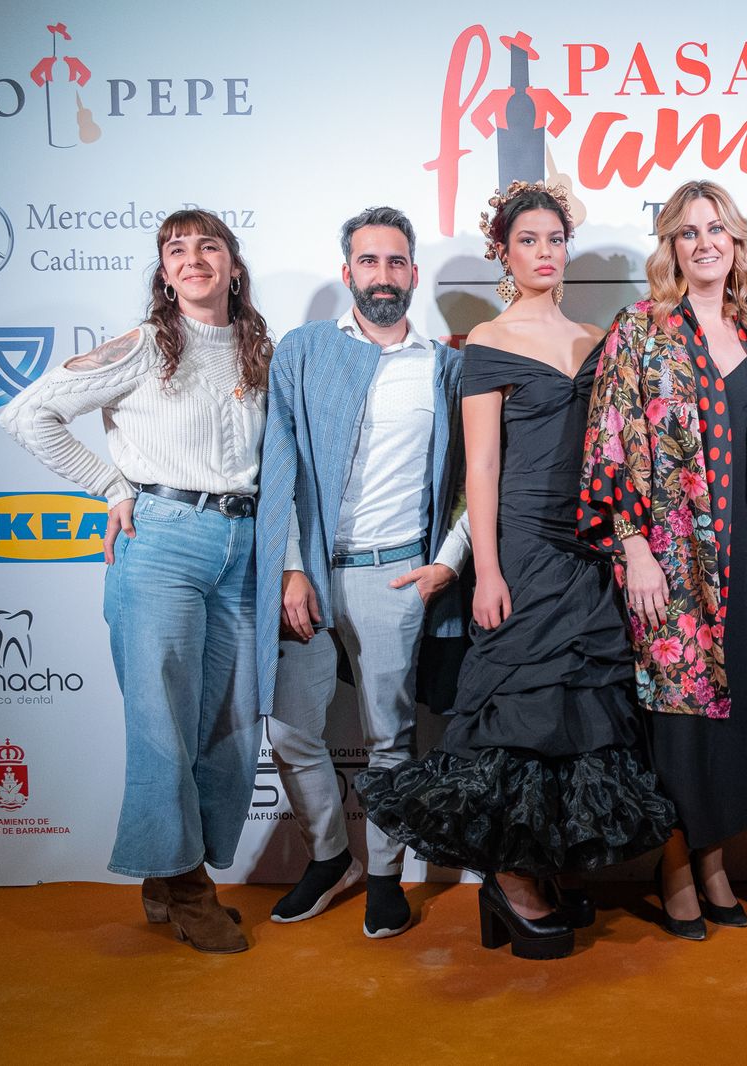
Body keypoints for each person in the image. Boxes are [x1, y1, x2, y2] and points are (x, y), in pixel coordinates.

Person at [358, 182, 674, 960]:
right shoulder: (490, 341)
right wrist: (489, 571)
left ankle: (539, 867)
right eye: (528, 240)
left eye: (555, 239)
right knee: (517, 706)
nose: (544, 252)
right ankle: (509, 881)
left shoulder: (600, 337)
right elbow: (483, 470)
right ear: (503, 252)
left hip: (589, 545)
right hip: (523, 546)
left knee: (575, 707)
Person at [0, 209, 272, 954]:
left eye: (209, 246)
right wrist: (109, 486)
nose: (193, 258)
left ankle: (167, 870)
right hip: (161, 542)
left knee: (230, 723)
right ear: (164, 272)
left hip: (244, 543)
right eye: (176, 250)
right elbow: (28, 413)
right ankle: (187, 888)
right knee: (162, 723)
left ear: (233, 267)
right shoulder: (146, 345)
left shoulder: (260, 350)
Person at [254, 206, 471, 939]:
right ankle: (328, 858)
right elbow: (278, 467)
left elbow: (472, 480)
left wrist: (446, 563)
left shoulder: (444, 365)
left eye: (396, 262)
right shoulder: (305, 351)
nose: (384, 275)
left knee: (389, 739)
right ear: (347, 271)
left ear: (413, 274)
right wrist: (290, 568)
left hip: (396, 577)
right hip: (310, 574)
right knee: (290, 730)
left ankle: (384, 876)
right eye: (370, 261)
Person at [578, 180, 747, 941]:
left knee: (731, 716)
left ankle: (715, 863)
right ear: (671, 247)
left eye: (716, 229)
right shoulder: (641, 328)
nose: (704, 243)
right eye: (688, 232)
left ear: (736, 241)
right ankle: (676, 868)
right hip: (670, 555)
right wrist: (633, 546)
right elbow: (610, 437)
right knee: (676, 718)